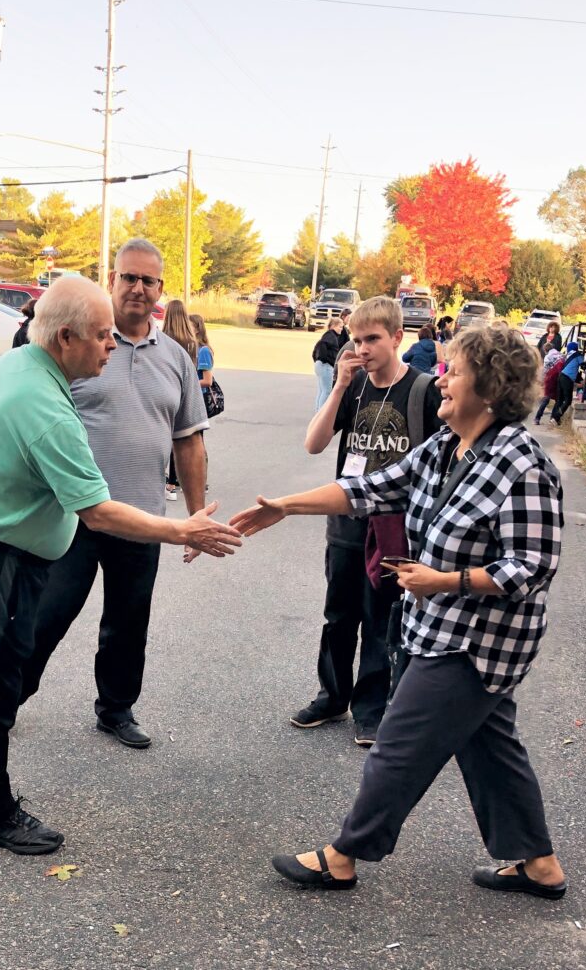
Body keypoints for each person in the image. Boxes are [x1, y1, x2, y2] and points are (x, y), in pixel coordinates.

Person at [231, 325, 567, 901]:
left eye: (454, 370)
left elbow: (533, 566)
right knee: (491, 747)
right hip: (432, 628)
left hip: (476, 642)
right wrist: (285, 505)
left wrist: (447, 580)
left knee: (399, 745)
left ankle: (343, 854)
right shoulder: (444, 447)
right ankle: (540, 864)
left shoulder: (522, 463)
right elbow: (368, 489)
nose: (440, 376)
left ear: (488, 387)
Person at [0, 276, 241, 856]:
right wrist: (180, 528)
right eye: (100, 336)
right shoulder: (46, 407)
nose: (111, 345)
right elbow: (96, 512)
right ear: (66, 337)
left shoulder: (21, 363)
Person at [16, 241, 211, 750]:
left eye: (148, 281)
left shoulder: (176, 359)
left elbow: (188, 441)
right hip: (73, 517)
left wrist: (196, 518)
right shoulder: (80, 347)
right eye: (129, 278)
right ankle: (5, 700)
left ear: (161, 291)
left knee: (128, 623)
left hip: (142, 519)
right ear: (113, 280)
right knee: (46, 616)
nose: (138, 289)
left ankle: (116, 709)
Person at [292, 296, 443, 747]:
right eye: (356, 340)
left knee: (381, 617)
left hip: (395, 526)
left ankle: (371, 708)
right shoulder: (353, 387)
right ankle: (332, 695)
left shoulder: (422, 390)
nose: (363, 348)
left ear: (397, 338)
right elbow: (313, 445)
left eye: (373, 339)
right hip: (347, 520)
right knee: (338, 614)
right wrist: (338, 387)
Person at [161, 299, 199, 501]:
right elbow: (192, 369)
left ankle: (165, 482)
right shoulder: (191, 341)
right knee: (183, 439)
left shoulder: (164, 338)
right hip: (184, 392)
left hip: (164, 391)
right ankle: (175, 482)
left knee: (163, 439)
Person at [312, 317, 344, 411]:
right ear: (333, 326)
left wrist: (317, 359)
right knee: (327, 391)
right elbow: (322, 345)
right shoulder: (331, 336)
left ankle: (318, 410)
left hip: (320, 365)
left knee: (322, 390)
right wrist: (324, 359)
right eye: (340, 327)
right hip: (325, 366)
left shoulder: (328, 335)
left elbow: (317, 347)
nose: (341, 329)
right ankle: (321, 412)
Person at [549, 341, 583, 426]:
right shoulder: (577, 355)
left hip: (561, 376)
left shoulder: (568, 355)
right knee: (568, 400)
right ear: (576, 348)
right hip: (567, 378)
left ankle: (552, 417)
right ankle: (556, 418)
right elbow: (583, 365)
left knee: (559, 399)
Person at [533, 348, 562, 426]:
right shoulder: (561, 358)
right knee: (557, 401)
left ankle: (537, 418)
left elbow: (544, 370)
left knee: (546, 400)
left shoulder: (548, 358)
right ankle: (552, 419)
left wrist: (542, 381)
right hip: (555, 382)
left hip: (549, 380)